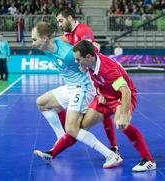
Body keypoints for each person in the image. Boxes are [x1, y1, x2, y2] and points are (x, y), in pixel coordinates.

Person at [32, 22, 122, 168]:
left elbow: (92, 62)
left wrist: (100, 90)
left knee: (72, 129)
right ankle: (60, 138)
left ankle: (110, 155)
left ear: (44, 38)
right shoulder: (50, 45)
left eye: (34, 39)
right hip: (70, 87)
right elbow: (67, 37)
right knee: (41, 103)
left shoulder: (68, 54)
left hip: (83, 88)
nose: (32, 43)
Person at [73, 40, 156, 172]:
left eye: (78, 59)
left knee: (121, 124)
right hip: (107, 94)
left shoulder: (108, 70)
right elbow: (95, 47)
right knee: (83, 125)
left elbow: (126, 91)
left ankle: (149, 161)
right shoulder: (91, 58)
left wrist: (123, 114)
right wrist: (99, 91)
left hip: (122, 95)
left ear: (88, 57)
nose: (76, 62)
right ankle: (113, 149)